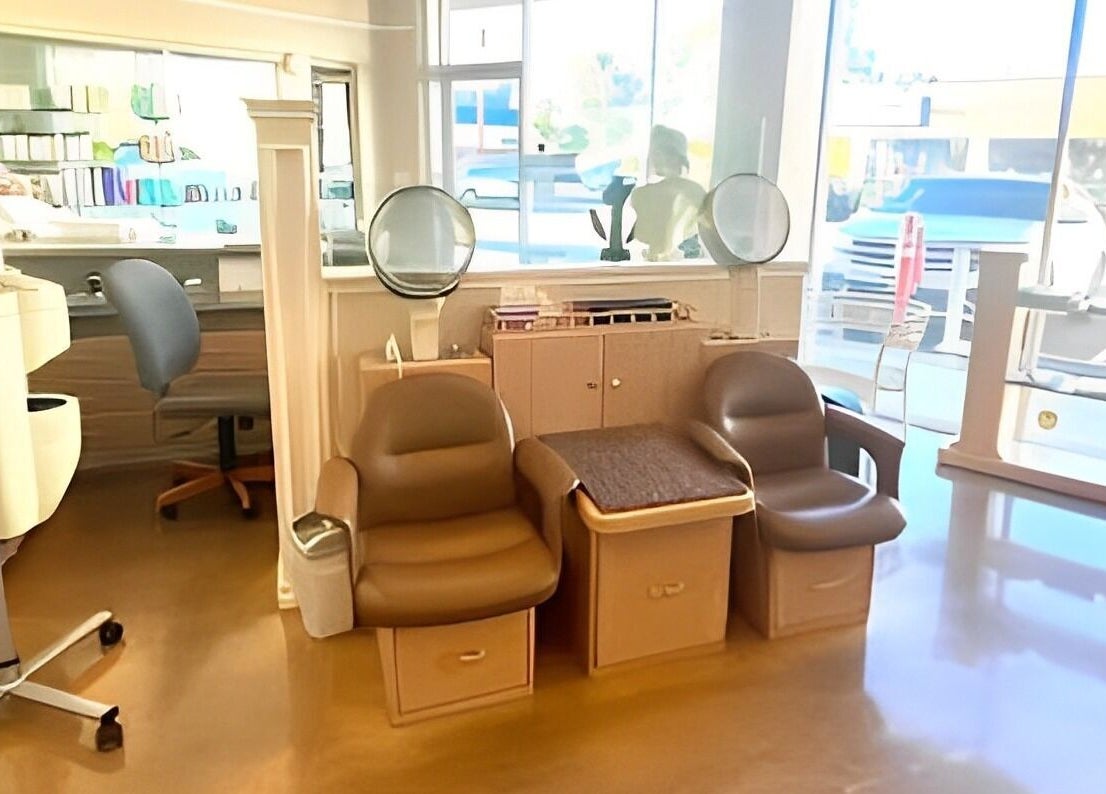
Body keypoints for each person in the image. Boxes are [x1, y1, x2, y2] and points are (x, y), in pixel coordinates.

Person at [629, 125, 707, 261]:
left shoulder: (641, 195)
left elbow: (642, 234)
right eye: (653, 152)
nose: (654, 158)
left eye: (658, 152)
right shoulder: (696, 191)